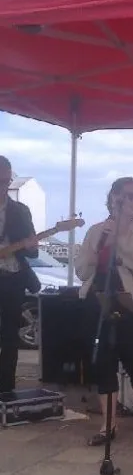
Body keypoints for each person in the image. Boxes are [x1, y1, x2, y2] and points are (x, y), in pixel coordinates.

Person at [75, 177, 133, 444]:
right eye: (129, 196)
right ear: (115, 196)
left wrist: (119, 238)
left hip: (132, 302)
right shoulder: (95, 230)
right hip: (99, 300)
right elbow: (81, 270)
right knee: (103, 364)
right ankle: (108, 424)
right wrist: (100, 242)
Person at [0, 156, 39, 393]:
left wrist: (32, 247)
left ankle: (5, 391)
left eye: (6, 181)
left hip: (12, 278)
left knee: (10, 337)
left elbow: (32, 252)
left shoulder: (21, 211)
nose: (2, 186)